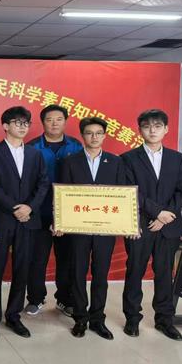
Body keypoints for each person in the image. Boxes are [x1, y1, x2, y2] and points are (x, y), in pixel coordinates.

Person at [0, 106, 49, 340]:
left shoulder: (35, 154)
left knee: (22, 269)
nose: (22, 127)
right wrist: (14, 208)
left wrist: (29, 207)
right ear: (5, 126)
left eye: (26, 123)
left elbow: (43, 183)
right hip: (2, 219)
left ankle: (13, 315)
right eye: (17, 122)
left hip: (28, 220)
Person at [122, 109, 182, 341]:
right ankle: (132, 319)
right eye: (147, 126)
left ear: (166, 129)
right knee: (135, 271)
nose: (152, 130)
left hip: (168, 225)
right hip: (139, 224)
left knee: (164, 273)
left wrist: (165, 216)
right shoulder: (128, 158)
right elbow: (131, 192)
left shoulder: (178, 159)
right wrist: (157, 213)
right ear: (140, 130)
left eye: (157, 126)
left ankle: (165, 320)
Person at [59, 117, 125, 340]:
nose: (94, 137)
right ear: (82, 136)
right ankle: (80, 318)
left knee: (100, 275)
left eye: (98, 133)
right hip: (78, 228)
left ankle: (97, 319)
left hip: (105, 229)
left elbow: (123, 195)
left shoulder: (116, 162)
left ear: (104, 135)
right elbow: (62, 194)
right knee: (77, 273)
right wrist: (60, 222)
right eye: (89, 133)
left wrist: (127, 223)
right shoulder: (70, 162)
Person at [26, 105, 82, 317]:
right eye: (49, 120)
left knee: (67, 259)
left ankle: (65, 299)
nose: (54, 123)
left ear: (65, 122)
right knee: (37, 258)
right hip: (39, 212)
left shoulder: (76, 146)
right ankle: (35, 299)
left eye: (59, 119)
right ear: (43, 123)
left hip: (68, 213)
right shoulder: (32, 147)